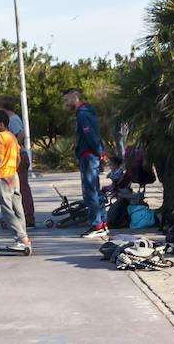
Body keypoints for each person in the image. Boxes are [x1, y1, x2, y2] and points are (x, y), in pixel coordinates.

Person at [63, 88, 108, 238]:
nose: (65, 104)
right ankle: (102, 223)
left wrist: (99, 152)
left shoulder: (83, 114)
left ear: (75, 99)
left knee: (90, 192)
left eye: (66, 100)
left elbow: (91, 135)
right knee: (95, 190)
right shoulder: (85, 113)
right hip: (90, 156)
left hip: (89, 157)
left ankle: (97, 225)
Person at [0, 110, 30, 250]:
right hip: (13, 176)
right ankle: (25, 236)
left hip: (3, 176)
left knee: (7, 210)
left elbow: (0, 158)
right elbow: (18, 158)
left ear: (1, 124)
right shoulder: (12, 137)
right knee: (18, 207)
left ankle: (20, 237)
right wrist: (13, 170)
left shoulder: (1, 137)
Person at [0, 96, 36, 228]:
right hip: (14, 157)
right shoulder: (3, 130)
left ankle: (27, 217)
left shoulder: (13, 119)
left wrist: (12, 151)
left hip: (18, 156)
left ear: (3, 107)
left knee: (20, 189)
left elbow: (20, 135)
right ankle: (13, 217)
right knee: (12, 190)